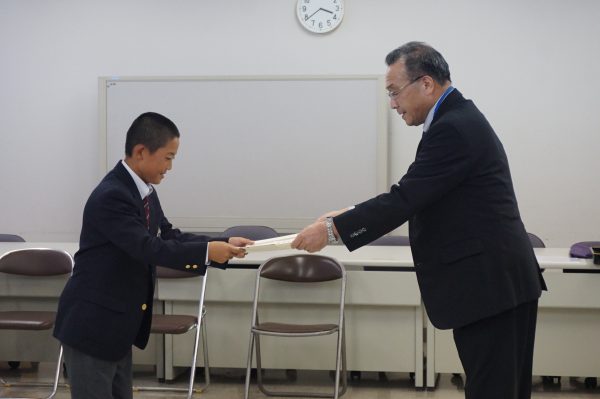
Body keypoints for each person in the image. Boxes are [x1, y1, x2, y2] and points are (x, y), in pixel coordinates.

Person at [292, 42, 546, 399]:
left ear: (426, 84)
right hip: (497, 283)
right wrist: (346, 214)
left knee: (494, 391)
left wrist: (332, 231)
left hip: (490, 286)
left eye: (395, 92)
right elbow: (420, 191)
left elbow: (407, 198)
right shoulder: (455, 119)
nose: (393, 104)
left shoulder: (453, 127)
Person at [53, 112, 251, 399]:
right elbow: (147, 247)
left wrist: (223, 242)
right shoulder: (112, 195)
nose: (170, 167)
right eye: (168, 157)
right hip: (92, 326)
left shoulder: (143, 190)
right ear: (141, 152)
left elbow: (169, 235)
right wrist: (209, 251)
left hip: (118, 326)